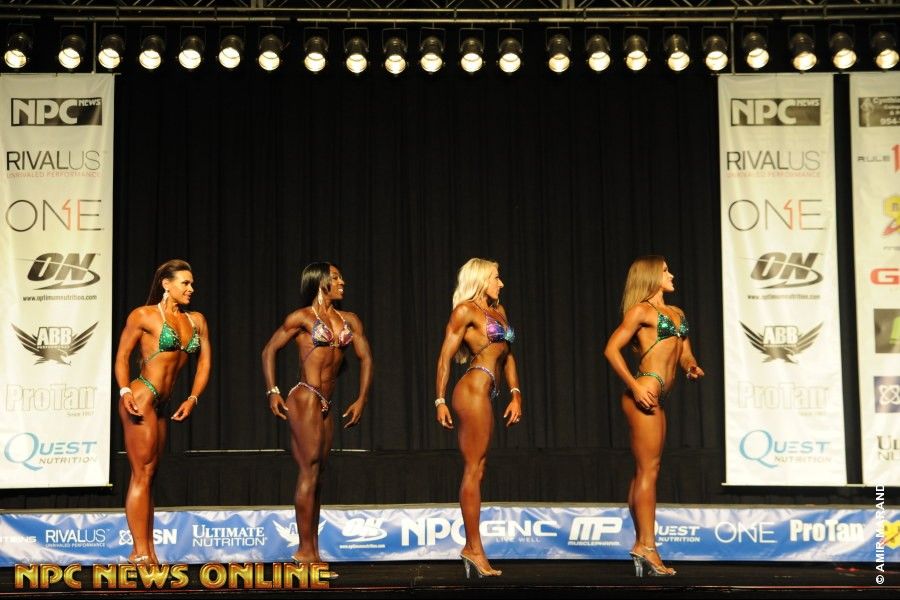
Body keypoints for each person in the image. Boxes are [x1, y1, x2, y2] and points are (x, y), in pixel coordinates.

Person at [261, 262, 372, 563]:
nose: (342, 282)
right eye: (335, 277)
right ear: (320, 281)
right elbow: (269, 350)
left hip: (326, 402)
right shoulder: (302, 318)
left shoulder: (349, 320)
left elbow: (366, 358)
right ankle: (304, 551)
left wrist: (361, 398)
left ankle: (312, 551)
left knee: (319, 474)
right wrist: (273, 391)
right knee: (309, 469)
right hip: (305, 396)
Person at [603, 255, 704, 577]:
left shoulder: (677, 313)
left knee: (647, 470)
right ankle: (647, 545)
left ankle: (642, 542)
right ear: (651, 277)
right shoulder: (641, 311)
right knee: (648, 470)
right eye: (665, 271)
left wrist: (691, 367)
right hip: (645, 391)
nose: (671, 275)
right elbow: (611, 349)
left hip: (659, 394)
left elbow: (684, 353)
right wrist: (634, 386)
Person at [114, 259, 212, 565]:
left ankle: (148, 552)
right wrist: (124, 391)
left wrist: (193, 397)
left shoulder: (196, 321)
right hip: (141, 396)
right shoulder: (143, 315)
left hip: (162, 404)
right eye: (185, 283)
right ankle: (140, 552)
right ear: (166, 284)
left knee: (150, 475)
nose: (191, 289)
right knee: (141, 474)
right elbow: (122, 357)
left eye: (192, 283)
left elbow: (205, 363)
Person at [434, 258, 523, 579]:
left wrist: (516, 393)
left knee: (480, 468)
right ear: (482, 279)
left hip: (486, 392)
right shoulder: (465, 311)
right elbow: (444, 358)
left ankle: (473, 548)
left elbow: (508, 356)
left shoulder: (500, 311)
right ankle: (473, 548)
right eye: (496, 278)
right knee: (473, 468)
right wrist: (440, 400)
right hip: (470, 390)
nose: (501, 283)